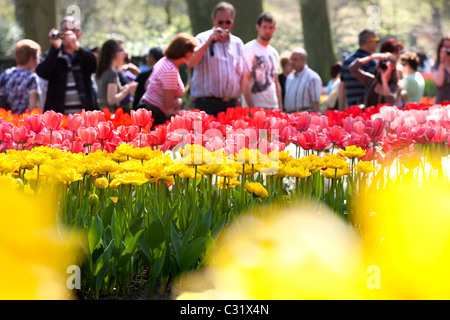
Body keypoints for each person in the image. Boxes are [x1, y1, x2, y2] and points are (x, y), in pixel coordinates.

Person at [187, 2, 249, 117]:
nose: (224, 26)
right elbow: (191, 63)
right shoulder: (202, 38)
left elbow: (243, 74)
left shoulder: (237, 43)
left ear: (233, 21)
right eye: (220, 22)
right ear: (213, 20)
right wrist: (208, 42)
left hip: (230, 104)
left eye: (228, 22)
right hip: (206, 104)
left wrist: (238, 98)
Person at [36, 16, 98, 114]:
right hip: (59, 116)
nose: (67, 34)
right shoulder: (54, 53)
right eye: (64, 30)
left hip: (84, 115)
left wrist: (77, 48)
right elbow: (43, 72)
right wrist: (55, 48)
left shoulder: (84, 54)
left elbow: (94, 66)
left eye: (71, 30)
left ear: (79, 34)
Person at [139, 33, 198, 127]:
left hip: (148, 108)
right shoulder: (170, 70)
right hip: (156, 115)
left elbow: (147, 85)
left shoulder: (164, 61)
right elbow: (168, 104)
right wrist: (180, 102)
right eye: (193, 51)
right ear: (185, 51)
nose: (194, 55)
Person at [242, 12, 282, 111]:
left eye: (270, 27)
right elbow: (244, 80)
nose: (268, 30)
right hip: (255, 106)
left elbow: (276, 82)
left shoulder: (274, 53)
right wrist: (251, 108)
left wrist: (280, 107)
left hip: (273, 107)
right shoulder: (249, 49)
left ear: (274, 29)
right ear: (258, 27)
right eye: (264, 27)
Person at [339, 29, 379, 110]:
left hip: (350, 110)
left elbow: (342, 87)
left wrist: (341, 110)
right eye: (376, 40)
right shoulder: (371, 62)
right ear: (368, 41)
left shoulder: (347, 61)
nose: (378, 44)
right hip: (367, 110)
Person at [0, 39, 41, 114]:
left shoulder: (5, 75)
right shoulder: (32, 78)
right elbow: (34, 108)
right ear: (31, 59)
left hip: (8, 122)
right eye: (38, 58)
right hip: (24, 123)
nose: (39, 61)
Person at [96, 39, 138, 112]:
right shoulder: (112, 73)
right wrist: (128, 90)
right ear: (112, 53)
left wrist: (126, 87)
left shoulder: (103, 71)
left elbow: (107, 93)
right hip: (110, 114)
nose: (124, 53)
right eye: (121, 50)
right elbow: (111, 100)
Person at [284, 47, 322, 113]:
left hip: (305, 116)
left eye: (295, 59)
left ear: (304, 60)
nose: (292, 62)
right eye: (291, 59)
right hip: (290, 115)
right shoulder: (289, 77)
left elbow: (316, 104)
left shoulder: (312, 78)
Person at [432, 34, 450, 104]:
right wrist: (442, 62)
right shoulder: (437, 66)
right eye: (446, 47)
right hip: (441, 105)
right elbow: (439, 83)